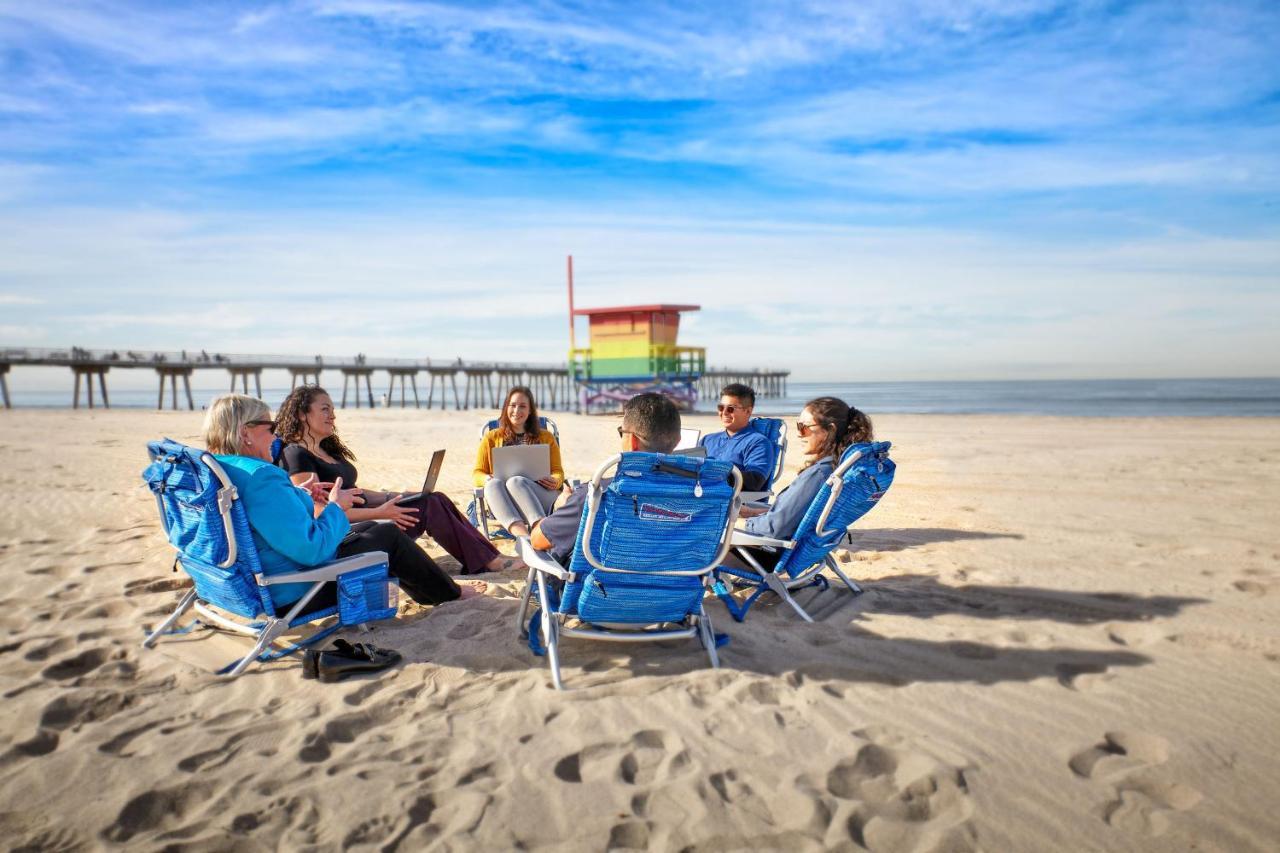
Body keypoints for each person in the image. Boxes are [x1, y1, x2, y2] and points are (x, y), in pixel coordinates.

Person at [202, 394, 481, 610]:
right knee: (386, 535)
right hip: (293, 590)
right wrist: (336, 506)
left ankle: (446, 587)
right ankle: (449, 594)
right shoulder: (261, 477)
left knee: (370, 527)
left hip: (247, 581)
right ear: (245, 433)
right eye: (269, 426)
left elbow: (272, 520)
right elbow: (310, 550)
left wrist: (300, 495)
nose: (276, 435)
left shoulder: (221, 470)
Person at [275, 385, 518, 576]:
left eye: (333, 409)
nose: (333, 416)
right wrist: (381, 513)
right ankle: (488, 561)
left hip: (372, 515)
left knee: (433, 498)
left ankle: (487, 557)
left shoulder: (327, 450)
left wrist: (395, 496)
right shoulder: (296, 454)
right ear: (302, 414)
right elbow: (316, 512)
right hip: (353, 532)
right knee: (431, 506)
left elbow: (356, 492)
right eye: (325, 409)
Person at [511, 392, 682, 566]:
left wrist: (560, 508)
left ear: (632, 441)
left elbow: (538, 540)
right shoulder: (696, 498)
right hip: (676, 590)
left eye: (621, 432)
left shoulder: (596, 496)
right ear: (678, 441)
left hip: (602, 590)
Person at [728, 396, 873, 571]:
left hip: (765, 555)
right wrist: (752, 512)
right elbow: (803, 515)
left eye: (804, 427)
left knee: (696, 537)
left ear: (830, 430)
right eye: (798, 426)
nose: (798, 433)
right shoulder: (839, 471)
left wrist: (736, 523)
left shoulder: (819, 475)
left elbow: (775, 527)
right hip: (792, 549)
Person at [474, 386, 565, 534]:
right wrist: (486, 478)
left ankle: (540, 531)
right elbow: (477, 473)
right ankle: (524, 538)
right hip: (506, 503)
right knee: (492, 485)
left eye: (522, 406)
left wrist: (555, 480)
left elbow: (558, 471)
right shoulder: (491, 438)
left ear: (530, 411)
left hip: (542, 496)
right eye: (513, 405)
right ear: (506, 408)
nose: (516, 411)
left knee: (516, 481)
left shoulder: (546, 437)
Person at [699, 383, 773, 492]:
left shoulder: (758, 443)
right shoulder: (707, 440)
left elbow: (754, 482)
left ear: (748, 411)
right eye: (721, 407)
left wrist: (715, 472)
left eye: (730, 409)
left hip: (728, 501)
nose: (724, 413)